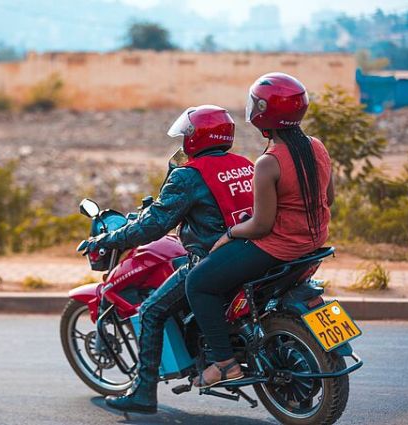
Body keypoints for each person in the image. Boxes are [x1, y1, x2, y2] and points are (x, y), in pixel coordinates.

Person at [85, 105, 256, 414]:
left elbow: (152, 226)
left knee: (151, 310)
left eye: (186, 134)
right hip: (251, 252)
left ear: (196, 137)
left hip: (210, 258)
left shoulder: (189, 176)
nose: (183, 141)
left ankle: (143, 393)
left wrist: (107, 238)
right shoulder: (245, 164)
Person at [185, 73, 335, 388]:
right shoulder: (317, 147)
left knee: (198, 282)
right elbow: (328, 198)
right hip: (314, 243)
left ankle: (224, 364)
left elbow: (261, 225)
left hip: (279, 248)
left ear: (263, 111)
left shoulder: (268, 162)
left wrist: (229, 234)